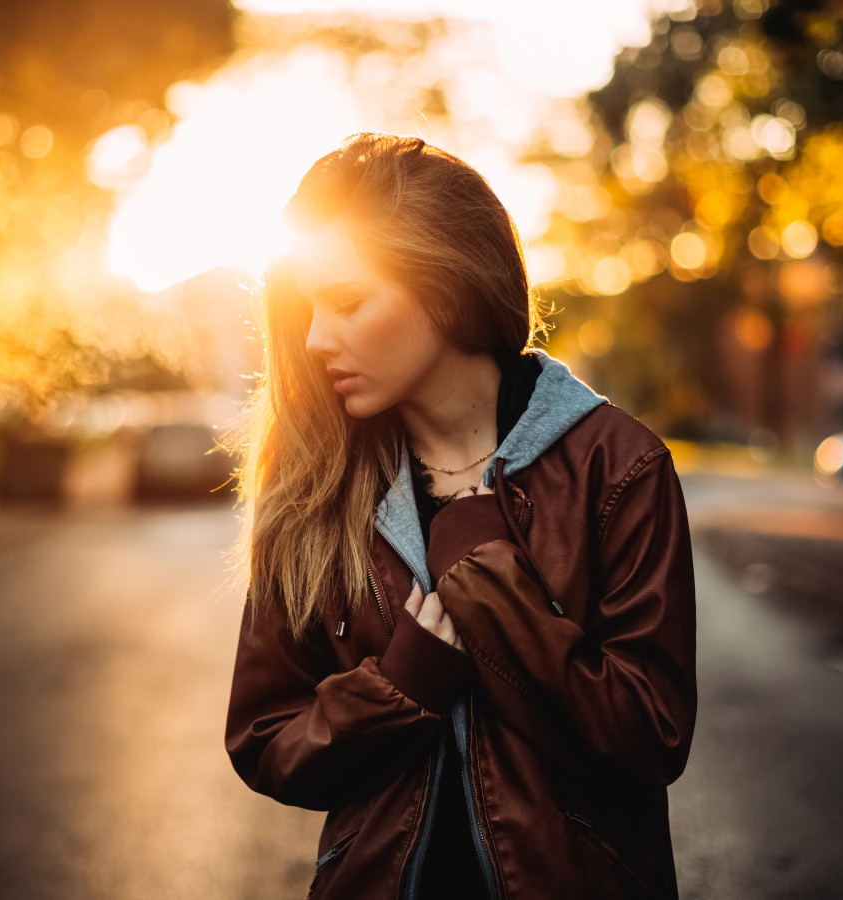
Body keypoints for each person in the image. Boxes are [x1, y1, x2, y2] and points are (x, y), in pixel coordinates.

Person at [221, 132, 697, 900]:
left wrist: (492, 588)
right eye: (307, 309)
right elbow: (265, 737)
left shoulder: (618, 467)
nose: (314, 339)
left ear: (443, 288)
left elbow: (651, 738)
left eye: (346, 302)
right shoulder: (314, 489)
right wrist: (400, 688)